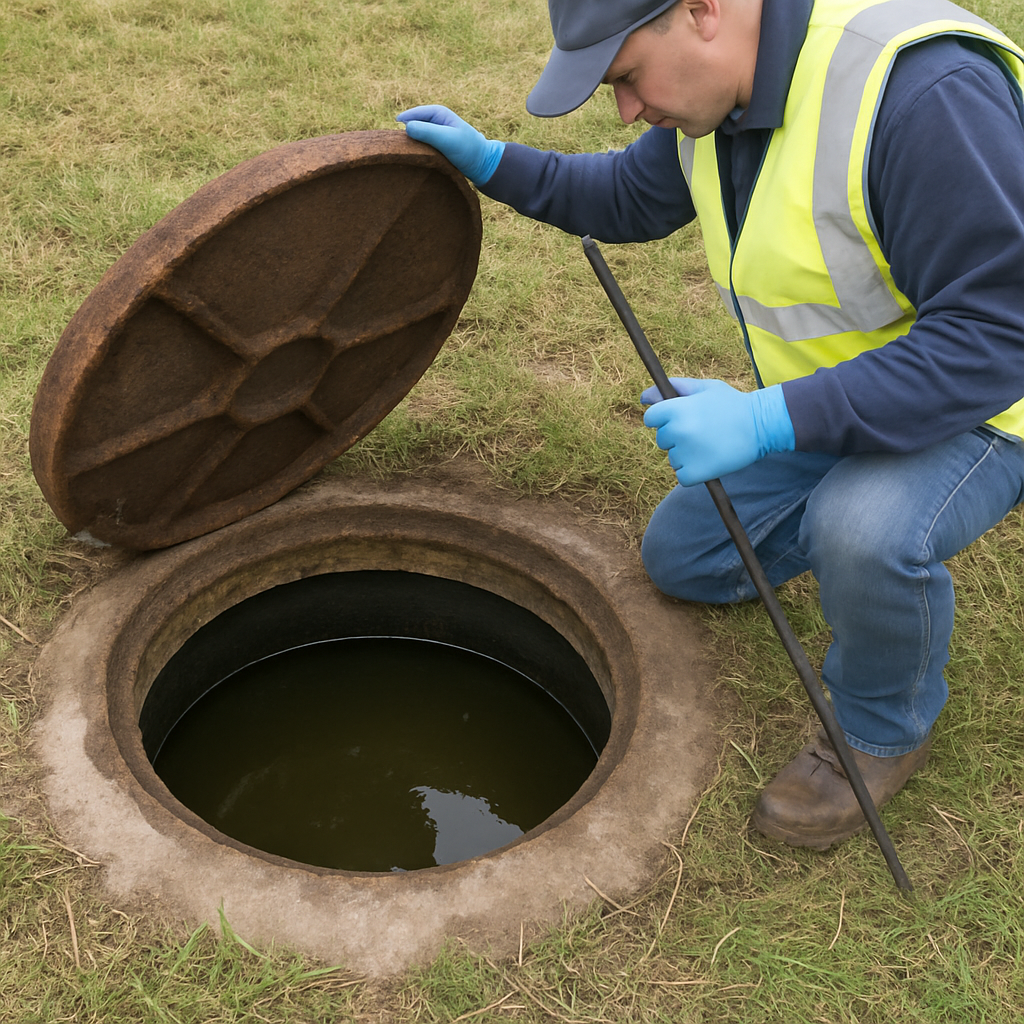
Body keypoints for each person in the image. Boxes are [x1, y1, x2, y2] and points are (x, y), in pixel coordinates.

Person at [396, 0, 1024, 850]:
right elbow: (632, 195)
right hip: (845, 400)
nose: (626, 108)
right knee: (687, 557)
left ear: (701, 11)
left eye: (625, 77)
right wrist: (496, 163)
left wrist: (769, 418)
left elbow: (997, 334)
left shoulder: (921, 94)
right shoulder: (726, 92)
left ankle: (879, 729)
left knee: (860, 528)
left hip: (982, 405)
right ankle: (853, 504)